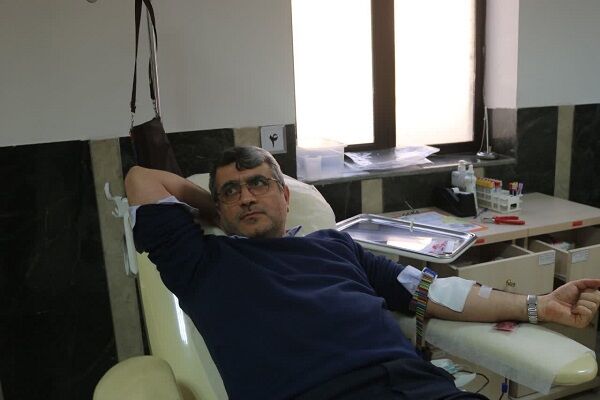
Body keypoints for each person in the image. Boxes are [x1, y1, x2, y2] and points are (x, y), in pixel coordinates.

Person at [125, 146, 600, 400]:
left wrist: (538, 305)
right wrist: (216, 212)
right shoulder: (203, 264)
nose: (246, 197)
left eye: (259, 184)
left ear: (285, 196)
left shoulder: (336, 246)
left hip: (418, 388)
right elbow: (141, 179)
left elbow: (434, 291)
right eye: (231, 192)